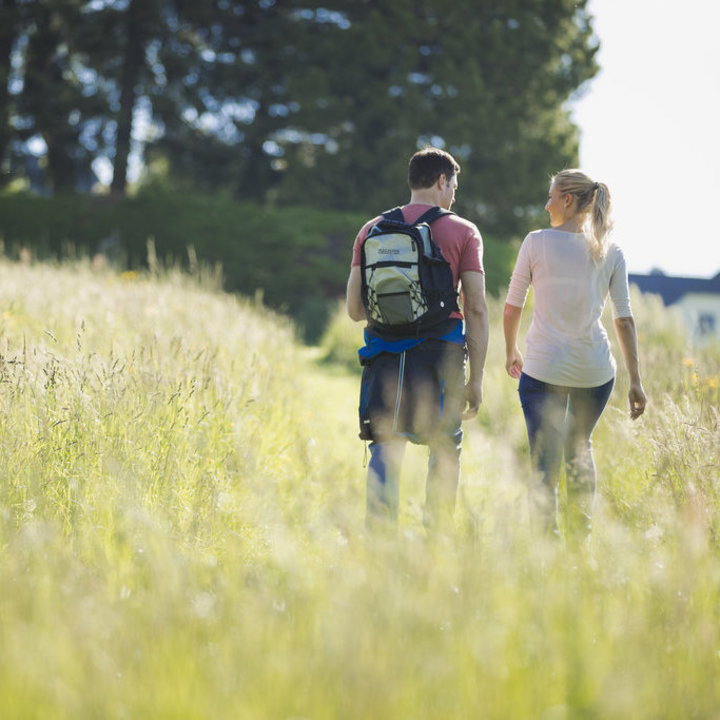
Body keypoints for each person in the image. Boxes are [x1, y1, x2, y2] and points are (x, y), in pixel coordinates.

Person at [346, 147, 489, 532]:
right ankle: (437, 542)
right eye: (453, 185)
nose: (454, 195)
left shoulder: (370, 230)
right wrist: (475, 379)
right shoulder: (463, 231)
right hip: (439, 359)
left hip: (384, 357)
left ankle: (379, 543)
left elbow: (355, 310)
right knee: (444, 448)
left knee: (385, 447)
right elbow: (476, 309)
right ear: (442, 180)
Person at [503, 169, 646, 541]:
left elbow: (512, 306)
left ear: (567, 200)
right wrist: (636, 382)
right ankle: (579, 543)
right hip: (594, 373)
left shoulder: (536, 242)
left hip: (543, 369)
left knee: (543, 458)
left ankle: (545, 542)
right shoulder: (611, 250)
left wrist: (511, 350)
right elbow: (624, 320)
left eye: (551, 195)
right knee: (580, 448)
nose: (546, 203)